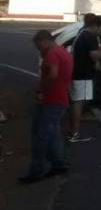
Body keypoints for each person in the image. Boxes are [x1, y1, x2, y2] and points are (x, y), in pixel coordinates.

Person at [19, 30, 73, 184]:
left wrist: (42, 90)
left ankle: (36, 171)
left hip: (52, 100)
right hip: (58, 99)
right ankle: (58, 164)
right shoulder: (61, 51)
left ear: (45, 41)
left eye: (38, 46)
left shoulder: (52, 55)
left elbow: (53, 74)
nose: (38, 49)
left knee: (40, 137)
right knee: (52, 134)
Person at [68, 13, 101, 143]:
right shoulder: (89, 37)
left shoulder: (82, 34)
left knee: (78, 101)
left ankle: (73, 130)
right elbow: (95, 56)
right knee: (79, 103)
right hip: (83, 74)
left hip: (78, 73)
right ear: (96, 26)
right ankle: (75, 133)